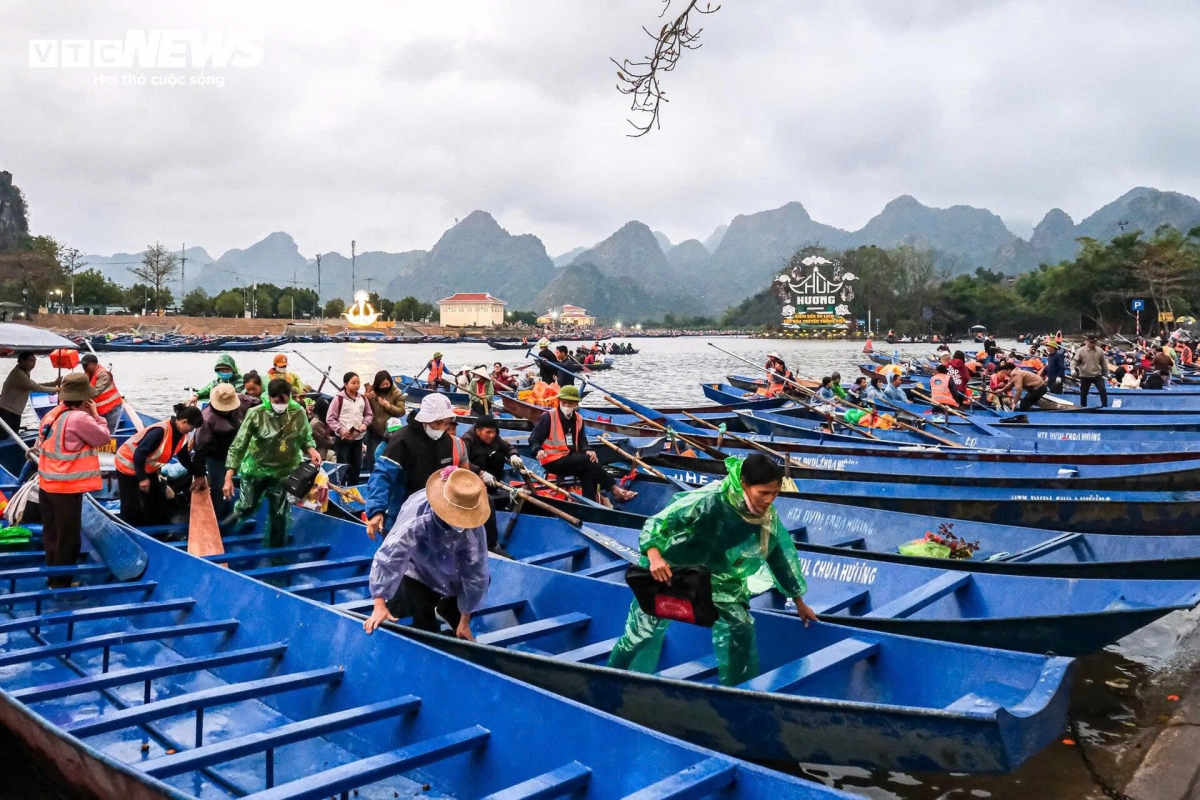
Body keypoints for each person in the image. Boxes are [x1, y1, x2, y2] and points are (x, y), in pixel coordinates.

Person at [607, 454, 817, 685]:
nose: (769, 500)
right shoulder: (709, 499)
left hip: (716, 577)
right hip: (670, 570)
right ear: (745, 484)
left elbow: (778, 555)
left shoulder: (765, 518)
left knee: (740, 625)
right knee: (640, 635)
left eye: (775, 494)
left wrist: (798, 600)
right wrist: (655, 556)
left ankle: (737, 688)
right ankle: (611, 678)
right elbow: (658, 523)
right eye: (763, 493)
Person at [362, 467, 491, 638]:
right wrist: (379, 604)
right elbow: (390, 557)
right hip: (415, 569)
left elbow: (475, 573)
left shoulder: (473, 528)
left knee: (482, 581)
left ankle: (448, 611)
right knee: (422, 627)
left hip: (449, 571)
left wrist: (464, 620)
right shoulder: (418, 519)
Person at [223, 379, 323, 548]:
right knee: (247, 505)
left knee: (280, 514)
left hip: (284, 471)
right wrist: (229, 476)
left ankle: (277, 552)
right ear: (269, 397)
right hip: (256, 468)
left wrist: (312, 451)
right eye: (276, 401)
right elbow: (239, 445)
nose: (280, 405)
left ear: (289, 397)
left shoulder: (297, 412)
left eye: (284, 400)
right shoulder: (256, 413)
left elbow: (305, 437)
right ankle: (226, 529)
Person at [35, 373, 112, 588]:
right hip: (66, 487)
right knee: (69, 537)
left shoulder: (52, 414)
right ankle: (62, 581)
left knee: (52, 533)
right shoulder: (79, 418)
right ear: (84, 398)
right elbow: (104, 438)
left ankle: (53, 575)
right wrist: (97, 415)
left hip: (47, 484)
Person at [365, 393, 468, 538]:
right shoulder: (402, 439)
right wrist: (376, 510)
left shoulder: (446, 442)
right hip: (401, 513)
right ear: (425, 419)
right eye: (438, 423)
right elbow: (382, 474)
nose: (442, 428)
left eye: (446, 423)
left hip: (434, 516)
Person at [528, 385, 636, 505]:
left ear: (576, 404)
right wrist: (538, 450)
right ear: (560, 402)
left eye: (570, 403)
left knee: (589, 469)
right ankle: (614, 489)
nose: (567, 406)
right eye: (564, 402)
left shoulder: (578, 419)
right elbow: (534, 438)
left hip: (570, 458)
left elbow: (582, 442)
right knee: (587, 461)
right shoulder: (549, 417)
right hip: (552, 461)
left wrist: (588, 450)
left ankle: (589, 504)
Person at [115, 403, 204, 526]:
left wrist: (198, 473)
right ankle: (129, 526)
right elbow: (139, 454)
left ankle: (157, 526)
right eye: (191, 427)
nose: (191, 431)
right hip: (128, 465)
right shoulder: (160, 431)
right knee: (131, 505)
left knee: (156, 498)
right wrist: (142, 478)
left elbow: (184, 458)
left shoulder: (183, 436)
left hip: (148, 468)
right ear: (183, 422)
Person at [192, 383, 255, 519]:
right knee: (219, 488)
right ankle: (218, 516)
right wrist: (199, 474)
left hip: (240, 451)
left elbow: (258, 403)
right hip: (216, 456)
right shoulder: (207, 419)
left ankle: (243, 511)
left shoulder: (241, 400)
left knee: (250, 482)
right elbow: (199, 449)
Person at [461, 415, 523, 552]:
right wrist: (480, 473)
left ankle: (492, 488)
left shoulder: (495, 438)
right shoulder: (467, 440)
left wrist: (513, 455)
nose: (492, 435)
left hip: (493, 483)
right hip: (474, 483)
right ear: (478, 431)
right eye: (488, 432)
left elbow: (507, 447)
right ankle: (490, 545)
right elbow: (462, 462)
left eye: (494, 432)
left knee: (498, 455)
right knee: (488, 501)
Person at [327, 371, 373, 486]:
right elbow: (330, 418)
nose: (356, 385)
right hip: (343, 439)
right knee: (343, 466)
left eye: (358, 383)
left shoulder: (363, 399)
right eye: (353, 383)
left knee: (356, 466)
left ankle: (353, 488)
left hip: (357, 438)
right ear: (346, 384)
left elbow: (369, 414)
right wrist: (341, 430)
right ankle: (340, 489)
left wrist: (365, 424)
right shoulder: (338, 399)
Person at [0, 351, 60, 432]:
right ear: (21, 361)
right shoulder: (18, 374)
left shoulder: (24, 373)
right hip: (7, 411)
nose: (33, 364)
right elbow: (36, 387)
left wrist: (54, 383)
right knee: (8, 437)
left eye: (35, 361)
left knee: (12, 435)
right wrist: (56, 389)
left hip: (14, 412)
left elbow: (33, 385)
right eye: (31, 361)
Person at [364, 370, 404, 474]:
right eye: (382, 385)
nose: (385, 386)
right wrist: (366, 400)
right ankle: (373, 476)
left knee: (392, 457)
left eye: (387, 384)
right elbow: (364, 411)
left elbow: (401, 411)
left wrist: (389, 406)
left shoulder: (396, 393)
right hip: (374, 431)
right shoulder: (372, 393)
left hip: (392, 432)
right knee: (373, 456)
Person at [80, 353, 124, 433]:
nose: (84, 367)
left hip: (112, 408)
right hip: (98, 409)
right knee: (96, 431)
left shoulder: (104, 374)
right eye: (83, 365)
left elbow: (95, 392)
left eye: (86, 365)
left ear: (94, 364)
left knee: (108, 433)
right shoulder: (87, 373)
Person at [1073, 335, 1109, 408]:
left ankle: (1105, 405)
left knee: (1103, 390)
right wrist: (1072, 369)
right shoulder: (1080, 351)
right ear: (1087, 341)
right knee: (1083, 393)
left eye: (1094, 343)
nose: (1093, 344)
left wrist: (1107, 373)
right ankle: (1083, 407)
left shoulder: (1100, 351)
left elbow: (1103, 363)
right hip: (1085, 375)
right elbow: (1074, 361)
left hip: (1097, 375)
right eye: (1091, 342)